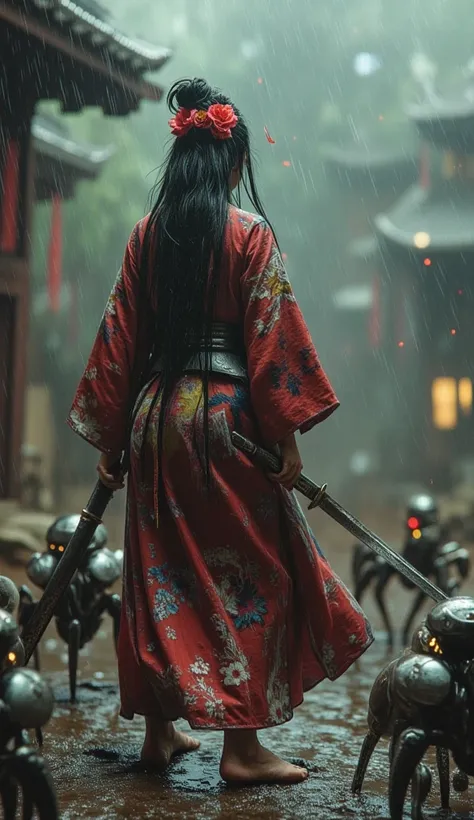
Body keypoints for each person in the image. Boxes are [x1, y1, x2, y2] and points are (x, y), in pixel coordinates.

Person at [67, 78, 373, 785]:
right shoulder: (248, 234)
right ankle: (242, 748)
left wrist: (115, 441)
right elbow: (271, 338)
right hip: (226, 422)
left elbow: (121, 339)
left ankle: (159, 736)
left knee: (159, 575)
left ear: (182, 162)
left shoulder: (147, 236)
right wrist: (287, 442)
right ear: (233, 163)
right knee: (250, 572)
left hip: (152, 417)